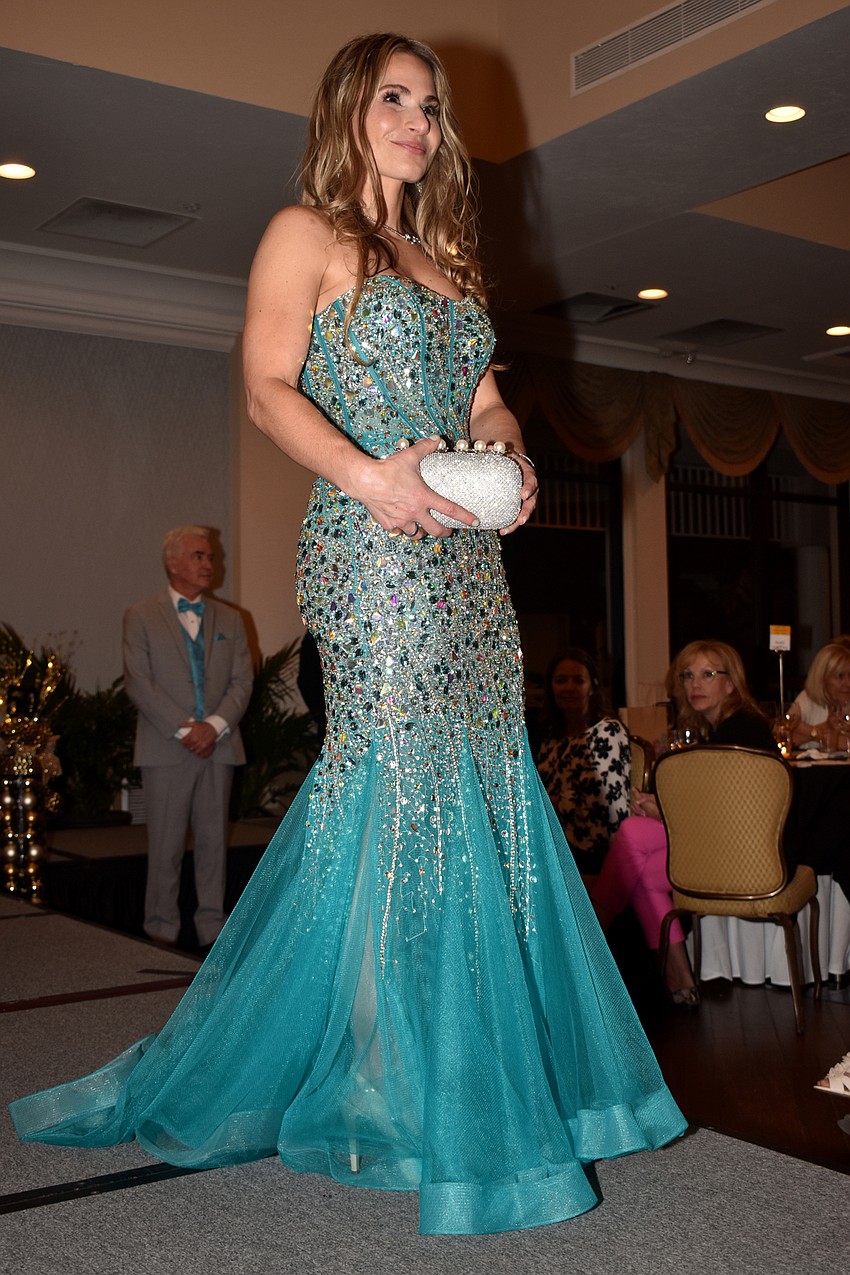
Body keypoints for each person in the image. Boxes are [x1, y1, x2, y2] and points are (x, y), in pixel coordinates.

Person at [10, 34, 685, 1236]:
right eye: (394, 98)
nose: (418, 121)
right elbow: (268, 385)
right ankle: (391, 1078)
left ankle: (430, 1066)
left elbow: (482, 395)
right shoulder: (304, 233)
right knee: (407, 793)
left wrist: (513, 454)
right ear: (346, 108)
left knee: (466, 791)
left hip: (468, 565)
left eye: (430, 106)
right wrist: (373, 481)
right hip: (372, 550)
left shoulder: (447, 259)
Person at [591, 640, 778, 1005]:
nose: (696, 684)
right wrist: (662, 806)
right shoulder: (722, 729)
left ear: (730, 683)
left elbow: (732, 812)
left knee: (631, 835)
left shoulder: (742, 730)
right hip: (722, 852)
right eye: (688, 675)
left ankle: (588, 939)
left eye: (708, 674)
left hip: (748, 862)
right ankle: (680, 982)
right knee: (639, 862)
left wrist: (663, 810)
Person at [122, 526, 253, 949]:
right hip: (167, 748)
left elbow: (242, 682)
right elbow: (139, 683)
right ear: (172, 563)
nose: (208, 564)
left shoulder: (232, 619)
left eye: (211, 557)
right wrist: (186, 730)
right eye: (198, 556)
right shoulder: (140, 615)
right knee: (165, 848)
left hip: (218, 747)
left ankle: (211, 930)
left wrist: (213, 727)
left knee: (214, 845)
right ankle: (161, 928)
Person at [536, 648, 630, 876]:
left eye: (578, 680)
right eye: (561, 681)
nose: (568, 688)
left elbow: (609, 807)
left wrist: (553, 802)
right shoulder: (549, 736)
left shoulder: (608, 731)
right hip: (551, 843)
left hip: (592, 851)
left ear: (593, 686)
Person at [787, 641, 850, 749]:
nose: (848, 683)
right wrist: (824, 729)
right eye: (840, 676)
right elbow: (785, 739)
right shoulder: (807, 699)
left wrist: (809, 731)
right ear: (822, 678)